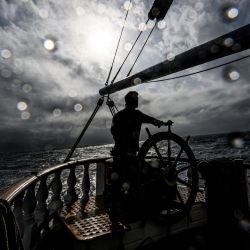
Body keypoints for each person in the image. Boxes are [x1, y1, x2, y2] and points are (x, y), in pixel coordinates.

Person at [108, 91, 164, 224]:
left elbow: (151, 120)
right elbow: (115, 133)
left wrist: (163, 123)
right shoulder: (126, 116)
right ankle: (121, 211)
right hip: (125, 155)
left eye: (137, 98)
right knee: (149, 174)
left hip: (124, 155)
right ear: (129, 101)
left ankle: (117, 211)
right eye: (135, 99)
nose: (137, 101)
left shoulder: (121, 116)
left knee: (120, 182)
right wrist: (125, 148)